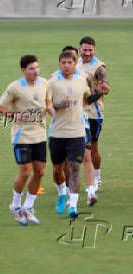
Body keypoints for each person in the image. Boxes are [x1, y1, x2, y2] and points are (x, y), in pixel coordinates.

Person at [47, 52, 107, 218]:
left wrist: (100, 93)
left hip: (78, 131)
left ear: (75, 64)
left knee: (74, 167)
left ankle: (73, 205)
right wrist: (59, 105)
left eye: (69, 62)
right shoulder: (51, 82)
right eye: (63, 62)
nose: (66, 65)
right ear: (59, 63)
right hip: (58, 132)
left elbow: (87, 100)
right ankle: (61, 194)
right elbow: (45, 105)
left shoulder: (82, 81)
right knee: (58, 169)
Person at [0, 55, 54, 225]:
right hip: (22, 136)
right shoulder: (15, 88)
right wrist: (14, 115)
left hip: (40, 136)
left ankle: (28, 207)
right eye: (31, 68)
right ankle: (15, 205)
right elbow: (1, 108)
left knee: (40, 172)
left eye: (37, 67)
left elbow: (47, 103)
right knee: (25, 172)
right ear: (23, 70)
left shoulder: (44, 83)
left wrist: (53, 111)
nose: (35, 71)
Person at [77, 36, 110, 188]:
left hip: (93, 114)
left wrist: (88, 97)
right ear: (80, 49)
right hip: (76, 113)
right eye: (85, 50)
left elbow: (106, 89)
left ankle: (96, 177)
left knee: (92, 147)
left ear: (94, 50)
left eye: (90, 50)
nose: (87, 53)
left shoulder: (99, 67)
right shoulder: (75, 63)